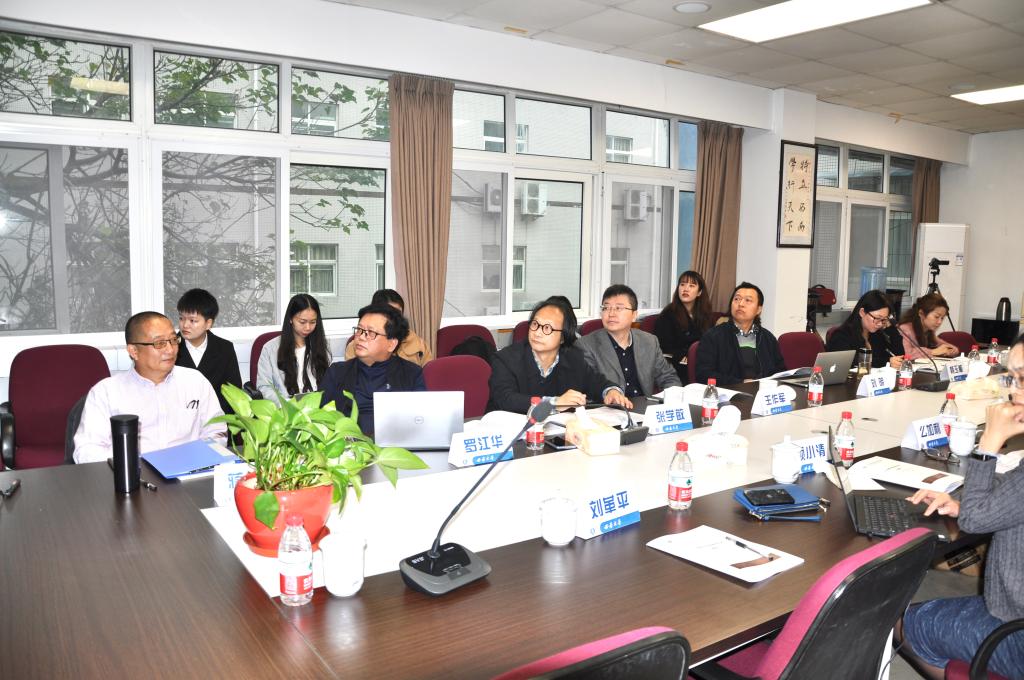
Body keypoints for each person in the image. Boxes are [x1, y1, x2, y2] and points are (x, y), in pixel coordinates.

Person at [897, 335, 1024, 679]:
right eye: (1012, 378)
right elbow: (1014, 493)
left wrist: (990, 443)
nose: (1013, 392)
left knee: (904, 622)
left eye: (1023, 379)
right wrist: (962, 503)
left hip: (1015, 631)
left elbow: (976, 520)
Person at [73, 312, 225, 464]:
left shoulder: (195, 381)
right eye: (159, 343)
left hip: (190, 469)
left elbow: (216, 432)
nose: (170, 350)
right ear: (134, 351)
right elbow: (86, 452)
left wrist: (192, 459)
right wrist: (133, 461)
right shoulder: (106, 392)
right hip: (132, 473)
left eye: (173, 340)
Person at [489, 296, 632, 413]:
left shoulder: (573, 358)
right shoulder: (506, 359)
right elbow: (506, 399)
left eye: (547, 328)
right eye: (535, 324)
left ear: (563, 337)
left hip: (556, 432)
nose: (537, 332)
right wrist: (554, 403)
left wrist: (611, 392)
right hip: (510, 433)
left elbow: (598, 382)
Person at [320, 303, 426, 435]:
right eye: (359, 330)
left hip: (394, 443)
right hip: (347, 443)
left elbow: (420, 423)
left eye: (370, 333)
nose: (361, 337)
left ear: (391, 344)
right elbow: (319, 418)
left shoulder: (412, 373)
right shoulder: (337, 372)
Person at [579, 284, 681, 398]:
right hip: (609, 408)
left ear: (634, 315)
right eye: (606, 308)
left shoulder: (649, 341)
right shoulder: (586, 345)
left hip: (644, 406)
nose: (611, 314)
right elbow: (588, 385)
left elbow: (668, 377)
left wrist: (673, 398)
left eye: (618, 308)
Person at [695, 282, 786, 385]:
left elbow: (780, 372)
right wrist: (740, 383)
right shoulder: (713, 336)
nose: (741, 304)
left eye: (748, 300)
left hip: (763, 392)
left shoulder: (767, 338)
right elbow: (703, 374)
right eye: (737, 299)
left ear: (758, 309)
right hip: (728, 392)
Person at [174, 288, 242, 414]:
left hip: (216, 418)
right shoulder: (169, 347)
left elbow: (234, 393)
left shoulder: (225, 348)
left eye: (193, 320)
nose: (185, 325)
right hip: (177, 418)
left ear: (208, 323)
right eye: (181, 318)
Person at [256, 294, 331, 404]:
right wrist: (286, 404)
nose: (308, 327)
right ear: (291, 319)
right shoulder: (270, 349)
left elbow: (329, 383)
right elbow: (264, 387)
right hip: (284, 409)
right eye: (302, 322)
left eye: (313, 322)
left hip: (317, 407)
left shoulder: (321, 345)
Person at [342, 289, 432, 366]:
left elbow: (428, 375)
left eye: (398, 315)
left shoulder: (418, 344)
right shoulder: (356, 347)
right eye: (388, 315)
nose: (394, 321)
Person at [654, 270, 714, 382]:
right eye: (682, 284)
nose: (685, 289)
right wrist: (687, 355)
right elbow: (664, 347)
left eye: (691, 286)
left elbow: (709, 341)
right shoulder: (668, 314)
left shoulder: (705, 315)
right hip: (676, 364)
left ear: (699, 292)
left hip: (701, 361)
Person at [824, 289, 903, 369]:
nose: (880, 324)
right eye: (877, 318)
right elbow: (851, 361)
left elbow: (899, 355)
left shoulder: (876, 334)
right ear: (862, 312)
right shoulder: (842, 335)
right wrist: (886, 362)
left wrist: (890, 327)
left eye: (884, 319)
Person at [896, 292, 959, 359]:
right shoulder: (905, 329)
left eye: (942, 318)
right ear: (921, 313)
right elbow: (905, 354)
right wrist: (933, 352)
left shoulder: (929, 330)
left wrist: (951, 350)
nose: (939, 322)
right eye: (936, 317)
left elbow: (943, 346)